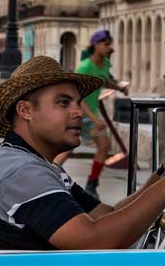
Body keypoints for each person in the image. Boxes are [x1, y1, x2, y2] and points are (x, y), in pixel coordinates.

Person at [0, 56, 165, 250]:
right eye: (64, 103)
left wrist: (164, 173)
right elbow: (96, 241)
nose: (79, 112)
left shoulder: (37, 165)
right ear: (26, 110)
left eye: (78, 103)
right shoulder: (21, 171)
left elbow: (109, 214)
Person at [54, 29, 128, 198]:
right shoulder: (85, 66)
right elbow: (79, 97)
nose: (109, 47)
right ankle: (49, 175)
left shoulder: (105, 63)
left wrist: (119, 88)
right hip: (79, 114)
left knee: (103, 145)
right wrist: (94, 120)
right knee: (68, 147)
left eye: (110, 44)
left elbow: (105, 80)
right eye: (106, 44)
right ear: (96, 45)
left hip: (92, 115)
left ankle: (92, 184)